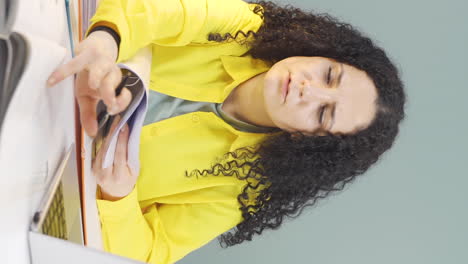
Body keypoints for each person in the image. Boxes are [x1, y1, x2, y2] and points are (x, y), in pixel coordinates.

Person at [47, 0, 406, 263]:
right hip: (56, 63)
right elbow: (161, 11)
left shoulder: (240, 189)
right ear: (324, 52)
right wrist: (106, 40)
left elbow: (147, 254)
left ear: (308, 138)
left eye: (323, 113)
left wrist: (119, 196)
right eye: (329, 74)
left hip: (41, 162)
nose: (307, 90)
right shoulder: (247, 27)